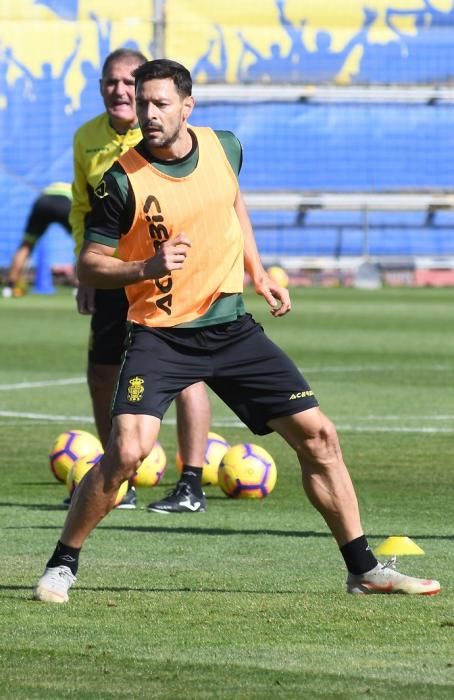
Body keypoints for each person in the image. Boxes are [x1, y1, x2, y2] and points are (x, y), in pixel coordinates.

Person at [33, 58, 440, 603]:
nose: (148, 114)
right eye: (143, 102)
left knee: (320, 437)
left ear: (186, 106)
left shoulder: (225, 147)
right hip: (160, 334)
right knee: (128, 452)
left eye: (160, 103)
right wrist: (146, 269)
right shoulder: (119, 182)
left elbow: (232, 204)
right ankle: (63, 564)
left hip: (230, 328)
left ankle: (363, 569)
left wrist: (258, 270)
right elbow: (89, 264)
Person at [69, 48, 211, 511]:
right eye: (111, 81)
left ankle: (191, 481)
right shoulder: (86, 138)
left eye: (130, 82)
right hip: (120, 272)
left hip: (168, 273)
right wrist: (87, 268)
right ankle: (117, 478)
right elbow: (82, 209)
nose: (121, 90)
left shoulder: (165, 134)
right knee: (101, 370)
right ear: (102, 88)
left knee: (188, 373)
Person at [2, 182, 72, 298]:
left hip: (42, 202)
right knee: (83, 243)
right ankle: (80, 286)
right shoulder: (73, 187)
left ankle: (10, 287)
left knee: (26, 245)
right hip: (66, 203)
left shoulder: (50, 189)